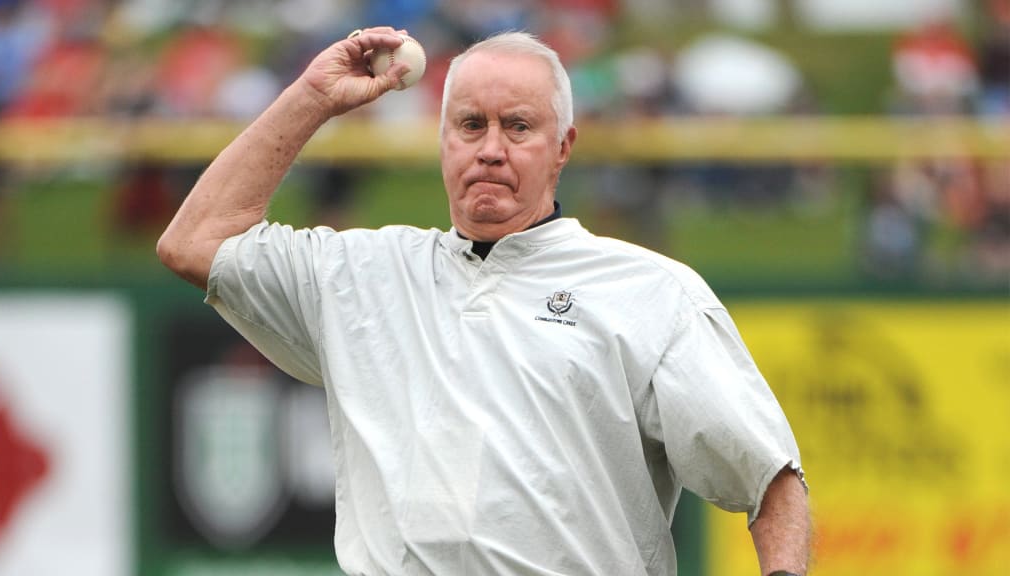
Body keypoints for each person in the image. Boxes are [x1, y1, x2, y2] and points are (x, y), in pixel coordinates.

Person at [157, 26, 811, 576]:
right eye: (470, 125)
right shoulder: (360, 275)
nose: (491, 149)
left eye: (518, 126)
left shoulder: (649, 292)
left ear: (563, 148)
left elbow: (771, 480)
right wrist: (313, 97)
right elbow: (194, 241)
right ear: (443, 140)